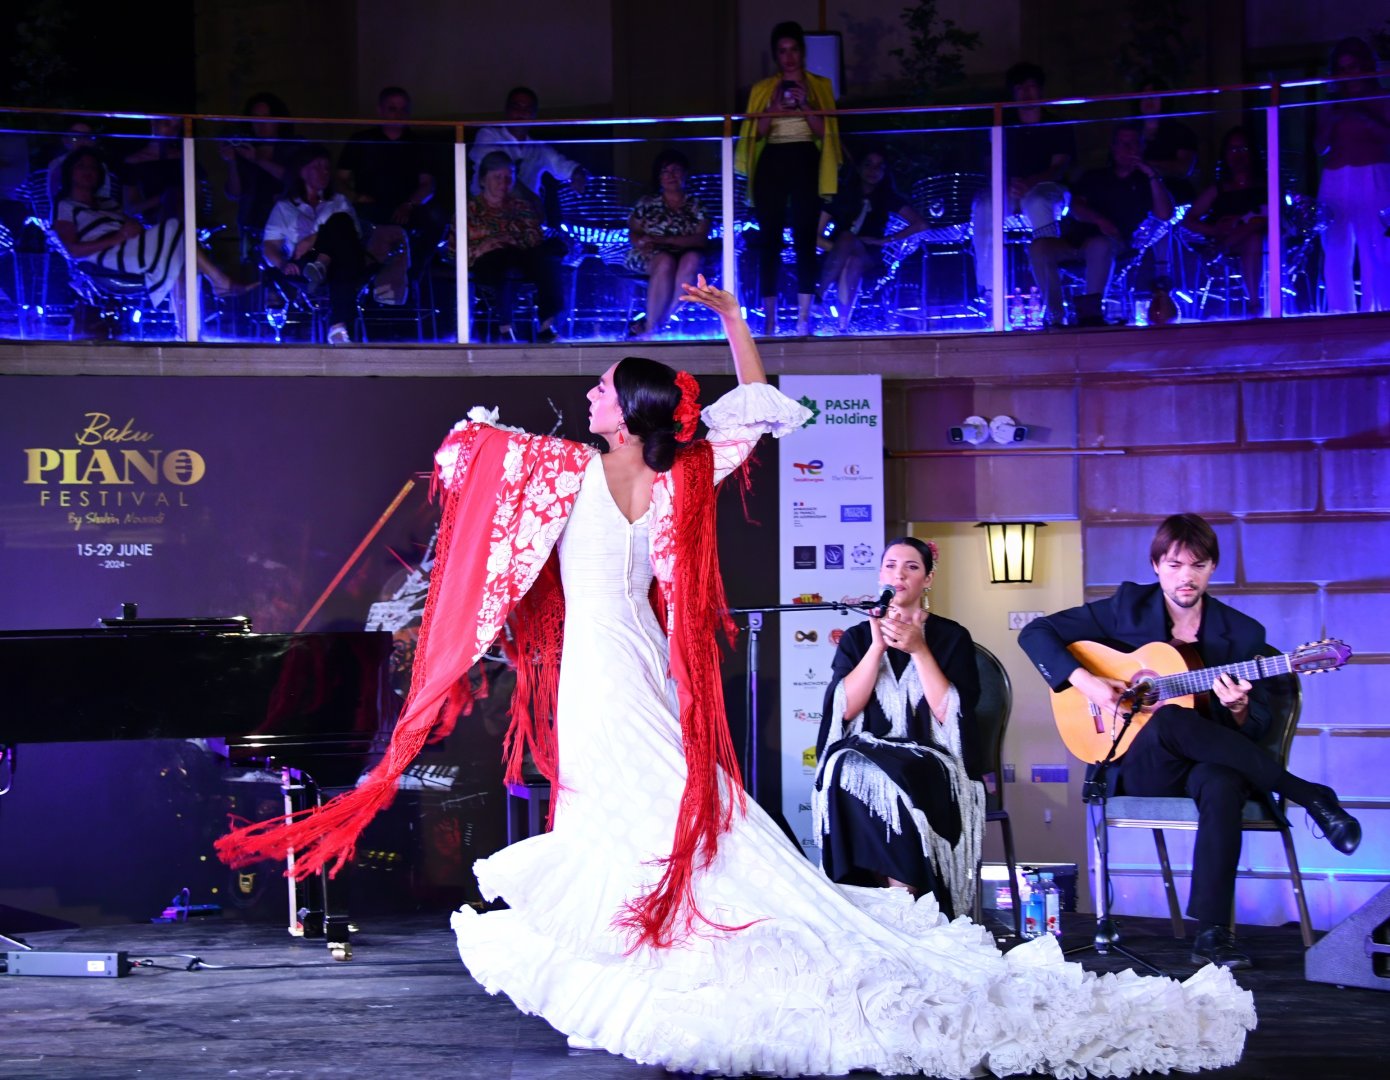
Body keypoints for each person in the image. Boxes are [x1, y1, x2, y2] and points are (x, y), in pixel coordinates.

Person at [218, 279, 1256, 1079]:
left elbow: (533, 458)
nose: (583, 397)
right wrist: (730, 321)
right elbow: (752, 406)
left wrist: (471, 449)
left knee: (641, 807)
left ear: (623, 415)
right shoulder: (641, 473)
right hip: (607, 664)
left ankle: (663, 970)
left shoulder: (591, 471)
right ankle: (639, 966)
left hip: (609, 668)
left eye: (596, 391)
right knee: (629, 807)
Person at [1019, 513, 1362, 969]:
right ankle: (1310, 794)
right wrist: (1090, 684)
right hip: (1137, 762)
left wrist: (1239, 708)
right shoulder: (1127, 607)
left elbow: (1256, 726)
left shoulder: (1242, 633)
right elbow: (1034, 633)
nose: (1186, 576)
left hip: (1206, 763)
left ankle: (1214, 933)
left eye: (1198, 566)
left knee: (1221, 780)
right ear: (1157, 565)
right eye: (1176, 565)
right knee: (1166, 723)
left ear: (1212, 568)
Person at [814, 537, 985, 919]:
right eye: (891, 565)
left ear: (927, 579)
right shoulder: (859, 637)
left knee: (900, 770)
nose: (899, 574)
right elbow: (843, 709)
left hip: (932, 759)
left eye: (911, 567)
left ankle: (904, 900)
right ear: (880, 575)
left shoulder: (951, 637)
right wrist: (876, 648)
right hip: (869, 751)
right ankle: (861, 900)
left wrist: (920, 650)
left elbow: (951, 714)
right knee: (843, 765)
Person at [54, 147, 249, 322]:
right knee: (176, 234)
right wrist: (120, 236)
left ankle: (186, 332)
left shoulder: (108, 204)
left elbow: (131, 225)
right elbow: (73, 250)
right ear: (70, 172)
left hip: (134, 250)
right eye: (81, 166)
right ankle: (219, 282)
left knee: (179, 257)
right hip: (105, 261)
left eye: (93, 167)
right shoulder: (66, 206)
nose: (88, 171)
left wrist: (134, 229)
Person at [737, 19, 841, 336]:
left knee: (805, 237)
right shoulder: (763, 89)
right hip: (773, 160)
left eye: (794, 50)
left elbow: (827, 132)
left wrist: (805, 104)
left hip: (806, 158)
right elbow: (758, 133)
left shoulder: (820, 85)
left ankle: (804, 318)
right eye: (782, 51)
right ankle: (770, 319)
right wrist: (774, 106)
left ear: (802, 52)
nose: (789, 57)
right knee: (770, 239)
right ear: (776, 56)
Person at [1030, 120, 1174, 326]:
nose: (1127, 149)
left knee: (1100, 244)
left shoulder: (1145, 183)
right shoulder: (1094, 177)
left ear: (1141, 147)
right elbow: (1076, 208)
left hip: (1113, 245)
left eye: (1132, 143)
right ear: (1113, 148)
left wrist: (1151, 175)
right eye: (1121, 144)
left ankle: (1090, 315)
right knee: (1040, 247)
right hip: (1074, 242)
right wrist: (1099, 219)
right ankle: (1055, 315)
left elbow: (1165, 213)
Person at [262, 143, 399, 345]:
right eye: (317, 167)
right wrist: (283, 264)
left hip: (342, 257)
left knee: (341, 221)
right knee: (340, 228)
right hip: (306, 264)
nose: (324, 172)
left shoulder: (338, 201)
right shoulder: (284, 207)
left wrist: (314, 237)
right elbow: (269, 246)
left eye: (327, 167)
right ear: (302, 171)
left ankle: (323, 266)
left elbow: (354, 235)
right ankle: (339, 325)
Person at [971, 62, 1075, 310]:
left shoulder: (1056, 124)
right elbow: (990, 163)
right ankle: (990, 292)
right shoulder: (1002, 125)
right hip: (1011, 188)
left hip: (1049, 190)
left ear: (1040, 91)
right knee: (986, 204)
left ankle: (1052, 297)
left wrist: (1031, 182)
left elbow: (1059, 167)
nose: (1026, 94)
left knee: (1037, 202)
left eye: (1031, 87)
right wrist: (1007, 183)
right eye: (1020, 89)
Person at [336, 85, 444, 289]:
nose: (398, 114)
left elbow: (427, 184)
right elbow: (340, 179)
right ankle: (362, 277)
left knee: (437, 219)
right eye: (392, 108)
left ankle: (412, 276)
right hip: (369, 208)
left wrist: (409, 204)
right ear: (381, 110)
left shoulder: (418, 143)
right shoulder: (362, 140)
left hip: (406, 209)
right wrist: (356, 196)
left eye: (403, 109)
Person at [1314, 37, 1390, 313]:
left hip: (1373, 172)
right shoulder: (1332, 103)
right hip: (1335, 177)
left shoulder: (1381, 97)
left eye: (1354, 67)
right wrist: (1334, 119)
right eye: (1343, 68)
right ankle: (1340, 312)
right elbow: (1320, 147)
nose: (1349, 74)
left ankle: (1379, 311)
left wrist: (1365, 117)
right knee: (1335, 247)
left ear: (1366, 66)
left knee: (1376, 247)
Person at [816, 146, 927, 333]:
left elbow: (921, 224)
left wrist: (885, 240)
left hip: (871, 257)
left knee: (849, 241)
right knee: (850, 253)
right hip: (835, 256)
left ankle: (819, 295)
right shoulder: (841, 196)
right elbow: (815, 235)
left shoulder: (887, 197)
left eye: (879, 166)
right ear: (859, 168)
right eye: (868, 165)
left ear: (885, 171)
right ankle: (843, 326)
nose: (873, 171)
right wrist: (840, 249)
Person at [467, 150, 566, 342]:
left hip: (522, 257)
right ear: (482, 180)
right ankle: (505, 328)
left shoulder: (521, 207)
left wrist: (511, 240)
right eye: (497, 177)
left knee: (548, 257)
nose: (503, 183)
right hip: (488, 262)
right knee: (503, 261)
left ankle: (546, 324)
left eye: (508, 177)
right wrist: (485, 245)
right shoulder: (471, 209)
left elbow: (533, 236)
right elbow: (457, 248)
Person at [624, 148, 708, 338]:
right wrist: (642, 242)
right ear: (659, 176)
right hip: (651, 254)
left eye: (676, 170)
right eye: (665, 171)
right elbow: (633, 232)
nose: (671, 176)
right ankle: (654, 325)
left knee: (691, 261)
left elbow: (701, 238)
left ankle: (658, 323)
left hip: (686, 251)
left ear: (685, 174)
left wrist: (667, 240)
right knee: (665, 262)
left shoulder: (696, 205)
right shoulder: (646, 202)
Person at [1183, 126, 1267, 311]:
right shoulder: (1218, 190)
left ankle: (1253, 302)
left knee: (1255, 233)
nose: (1239, 155)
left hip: (1264, 242)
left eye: (1243, 149)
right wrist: (1214, 230)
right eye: (1233, 149)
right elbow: (1189, 220)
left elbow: (1272, 216)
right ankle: (1254, 303)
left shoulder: (1266, 186)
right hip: (1231, 242)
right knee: (1251, 236)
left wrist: (1242, 222)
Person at [468, 85, 588, 211]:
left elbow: (564, 166)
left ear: (534, 115)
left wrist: (578, 173)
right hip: (485, 213)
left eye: (527, 109)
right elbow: (496, 167)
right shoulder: (488, 135)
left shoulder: (539, 148)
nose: (521, 113)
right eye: (516, 107)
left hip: (525, 220)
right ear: (507, 111)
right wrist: (533, 202)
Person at [220, 92, 297, 263]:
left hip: (286, 222)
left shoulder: (291, 147)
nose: (261, 124)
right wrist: (232, 161)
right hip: (252, 221)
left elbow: (293, 178)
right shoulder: (245, 148)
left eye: (267, 117)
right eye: (255, 118)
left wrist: (258, 160)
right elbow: (234, 193)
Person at [1137, 78, 1199, 204]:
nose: (1148, 99)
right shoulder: (1130, 131)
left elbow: (1184, 169)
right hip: (1138, 199)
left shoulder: (1181, 132)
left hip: (1175, 198)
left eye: (1153, 95)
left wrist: (1145, 166)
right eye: (1144, 95)